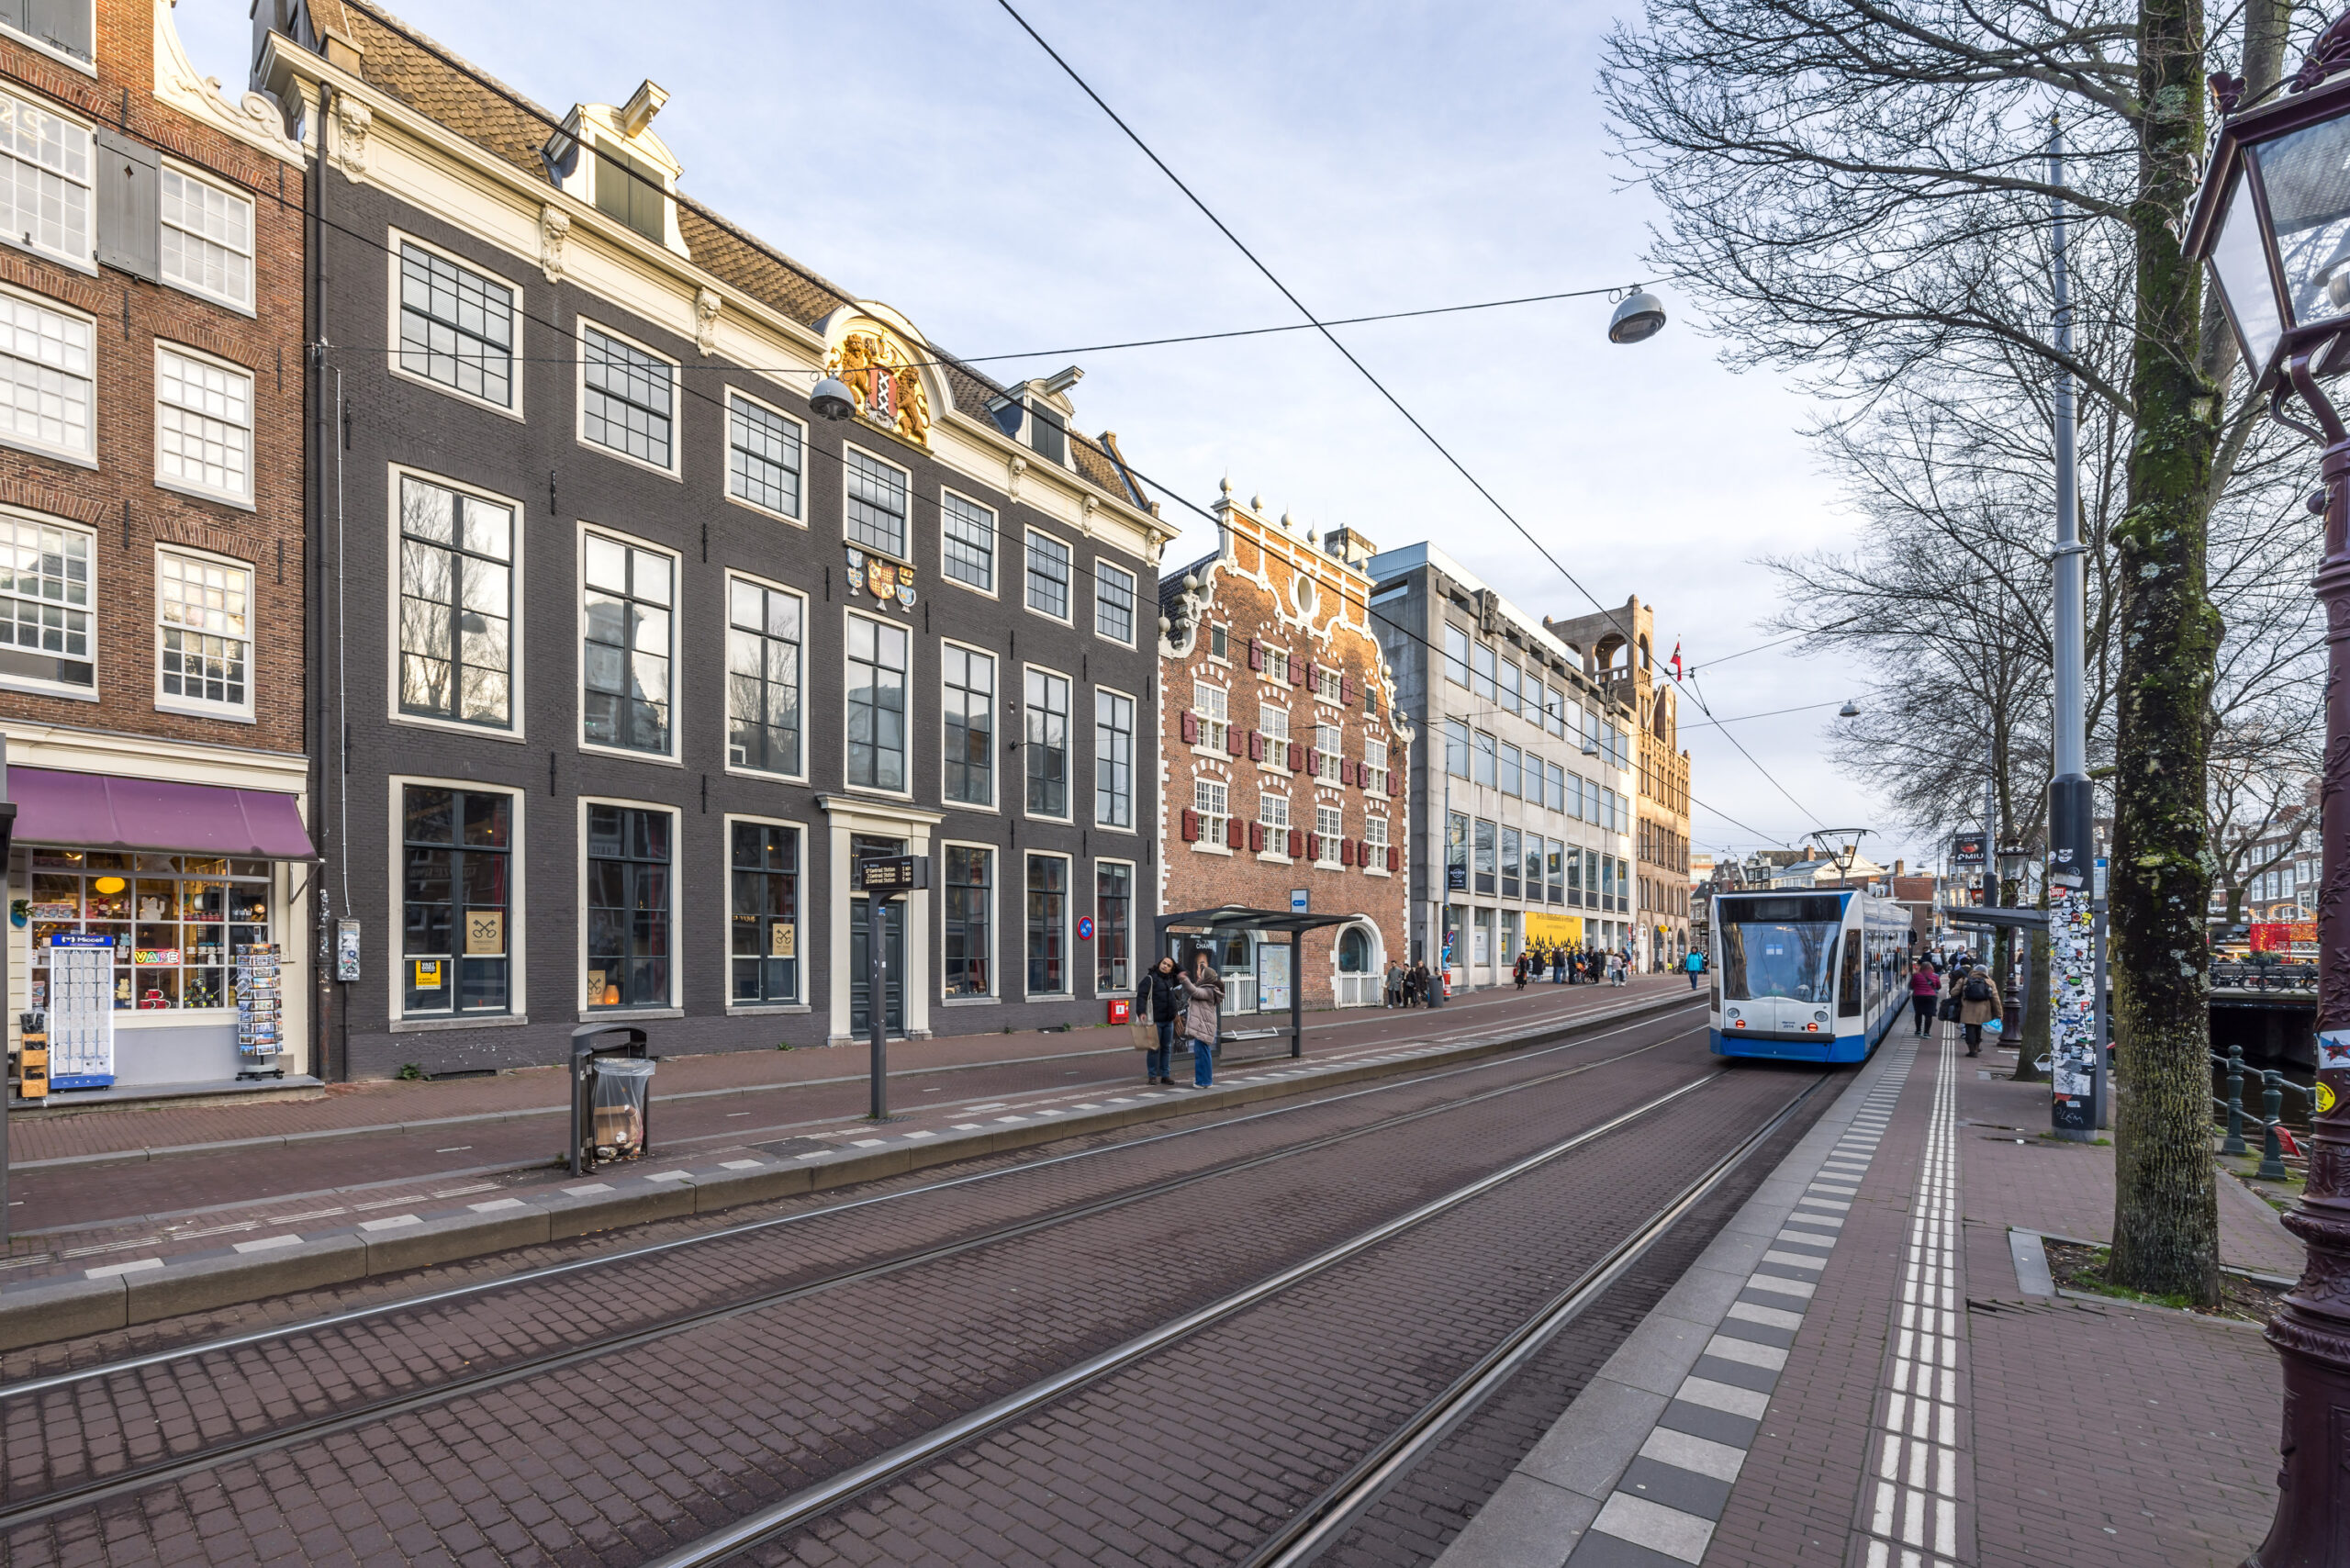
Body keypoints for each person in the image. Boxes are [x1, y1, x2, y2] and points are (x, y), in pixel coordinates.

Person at [1180, 952, 1225, 1087]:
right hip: (1204, 1027)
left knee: (1202, 1055)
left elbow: (1194, 991)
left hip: (1204, 1028)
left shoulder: (1209, 991)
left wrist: (1184, 979)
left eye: (1203, 972)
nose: (1199, 973)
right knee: (1203, 1054)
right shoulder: (1209, 988)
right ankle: (1205, 1080)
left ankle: (1204, 1081)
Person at [1136, 958, 1182, 1086]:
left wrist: (1175, 965)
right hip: (1155, 1021)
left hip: (1168, 1020)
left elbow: (1182, 971)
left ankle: (1165, 1075)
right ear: (1159, 964)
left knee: (1167, 1048)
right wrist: (1141, 1012)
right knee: (1154, 1049)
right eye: (1164, 963)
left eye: (1168, 965)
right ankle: (1152, 1076)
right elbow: (1141, 996)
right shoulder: (1150, 979)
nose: (1165, 966)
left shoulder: (1170, 979)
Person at [1954, 957, 1998, 1056]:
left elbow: (1954, 992)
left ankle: (1971, 1050)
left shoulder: (1965, 980)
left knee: (1969, 1027)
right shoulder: (1990, 982)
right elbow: (1995, 999)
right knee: (1978, 1028)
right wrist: (1999, 1013)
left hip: (1967, 1009)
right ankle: (1977, 1046)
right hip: (1983, 1010)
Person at [1908, 958, 1941, 1037]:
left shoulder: (1916, 975)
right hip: (1931, 997)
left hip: (1918, 996)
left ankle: (1918, 1031)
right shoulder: (1935, 976)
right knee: (1928, 1015)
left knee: (1918, 1013)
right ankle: (1926, 1033)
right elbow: (1938, 986)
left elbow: (1911, 986)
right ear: (1931, 967)